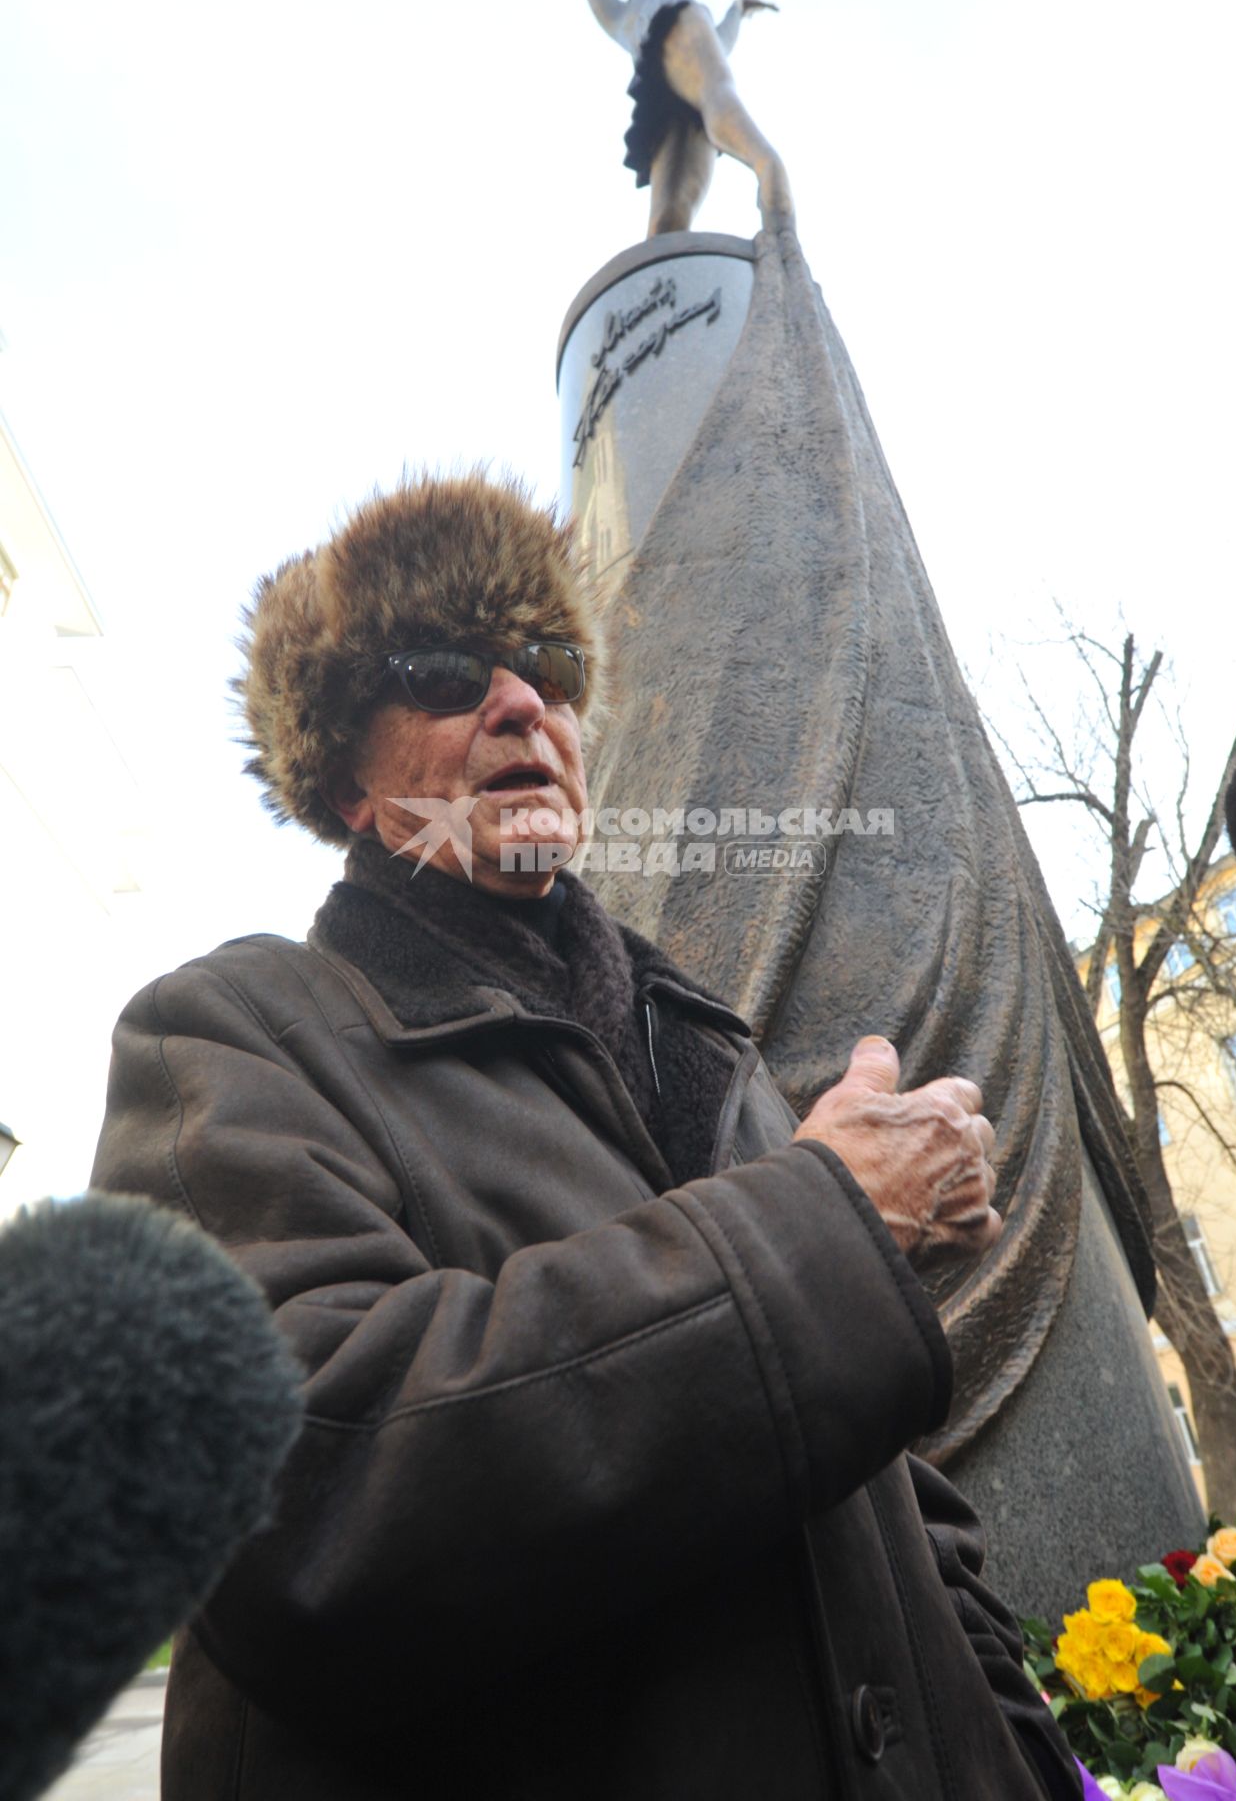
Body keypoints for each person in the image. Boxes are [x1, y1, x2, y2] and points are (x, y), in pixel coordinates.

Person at [92, 469, 1080, 1799]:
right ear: (341, 785)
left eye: (549, 666)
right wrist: (828, 1227)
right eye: (441, 671)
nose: (520, 703)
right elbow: (298, 1504)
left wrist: (1021, 1751)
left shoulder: (708, 1052)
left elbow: (902, 1510)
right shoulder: (231, 1034)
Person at [534, 0, 794, 236]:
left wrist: (738, 9)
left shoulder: (692, 11)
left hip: (705, 93)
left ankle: (781, 231)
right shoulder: (622, 15)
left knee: (764, 159)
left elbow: (721, 44)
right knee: (667, 220)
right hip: (660, 102)